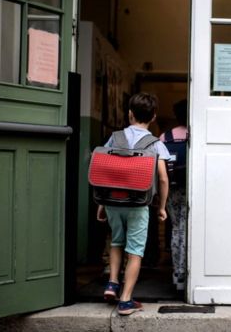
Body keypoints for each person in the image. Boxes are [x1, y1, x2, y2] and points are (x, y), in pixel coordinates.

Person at [96, 92, 170, 315]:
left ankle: (112, 283)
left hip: (112, 201)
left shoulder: (115, 137)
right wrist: (162, 207)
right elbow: (163, 178)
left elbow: (104, 171)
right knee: (136, 251)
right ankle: (126, 300)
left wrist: (101, 203)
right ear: (154, 117)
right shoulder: (155, 143)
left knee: (116, 242)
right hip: (138, 203)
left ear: (129, 114)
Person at [160, 99, 188, 291]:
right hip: (190, 189)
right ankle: (188, 274)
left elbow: (159, 168)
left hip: (171, 189)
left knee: (177, 228)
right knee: (189, 230)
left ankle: (177, 275)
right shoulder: (195, 134)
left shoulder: (165, 137)